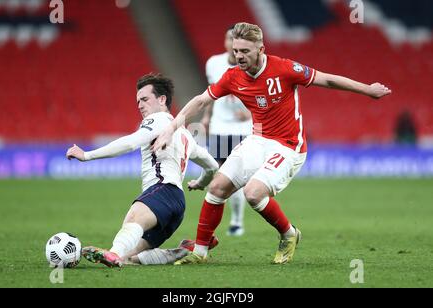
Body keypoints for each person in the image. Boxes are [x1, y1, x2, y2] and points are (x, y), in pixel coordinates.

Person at [152, 22, 392, 265]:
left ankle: (289, 234)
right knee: (216, 188)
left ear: (261, 49)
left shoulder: (285, 68)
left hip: (289, 145)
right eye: (236, 51)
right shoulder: (232, 76)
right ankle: (200, 253)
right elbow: (201, 101)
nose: (239, 56)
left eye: (245, 51)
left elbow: (327, 80)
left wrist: (368, 90)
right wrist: (171, 128)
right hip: (258, 140)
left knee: (253, 194)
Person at [66, 73, 219, 267]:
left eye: (145, 99)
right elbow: (212, 166)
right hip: (177, 205)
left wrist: (87, 156)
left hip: (161, 192)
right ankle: (184, 250)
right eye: (138, 101)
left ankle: (112, 253)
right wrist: (200, 183)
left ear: (162, 100)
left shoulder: (158, 120)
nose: (139, 105)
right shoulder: (187, 135)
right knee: (129, 257)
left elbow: (130, 143)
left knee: (132, 220)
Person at [202, 25, 252, 237]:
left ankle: (237, 221)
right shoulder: (213, 63)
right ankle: (212, 226)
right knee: (217, 176)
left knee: (235, 178)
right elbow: (211, 93)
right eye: (229, 38)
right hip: (219, 128)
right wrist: (206, 117)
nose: (232, 44)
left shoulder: (251, 66)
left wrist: (250, 113)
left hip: (242, 129)